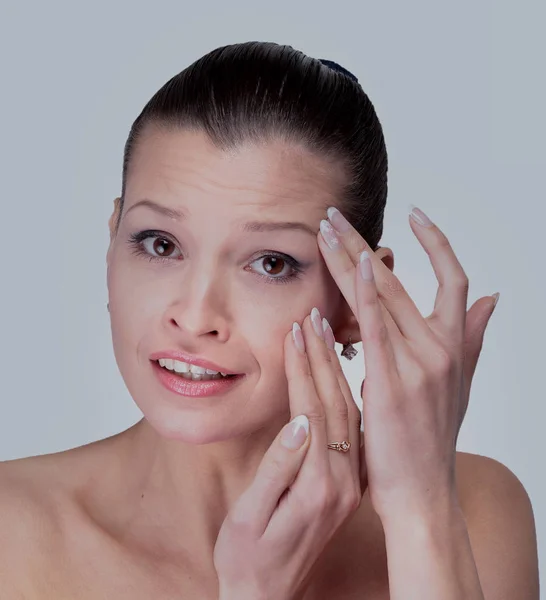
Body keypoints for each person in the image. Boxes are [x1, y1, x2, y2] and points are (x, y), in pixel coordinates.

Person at [0, 41, 539, 599]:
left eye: (270, 263)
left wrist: (420, 513)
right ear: (113, 244)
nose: (195, 316)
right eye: (161, 245)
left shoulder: (473, 508)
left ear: (359, 297)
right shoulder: (11, 535)